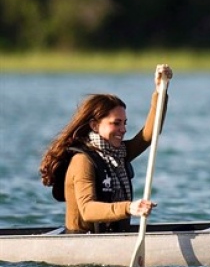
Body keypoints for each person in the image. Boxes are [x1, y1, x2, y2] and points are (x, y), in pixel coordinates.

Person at [39, 64, 173, 233]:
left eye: (124, 123)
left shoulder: (118, 153)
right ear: (94, 125)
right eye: (116, 123)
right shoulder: (82, 161)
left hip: (113, 236)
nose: (123, 129)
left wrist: (161, 91)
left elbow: (149, 134)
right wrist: (129, 208)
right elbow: (87, 210)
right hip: (82, 242)